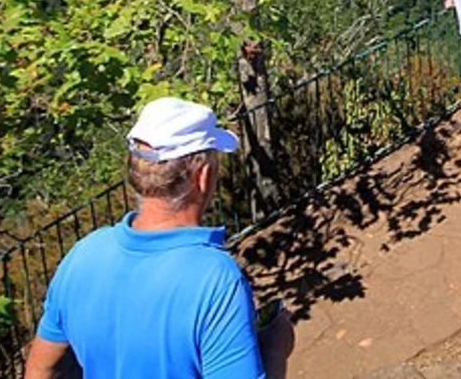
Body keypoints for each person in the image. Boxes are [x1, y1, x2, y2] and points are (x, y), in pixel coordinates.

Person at [25, 97, 291, 379]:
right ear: (203, 175)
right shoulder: (215, 280)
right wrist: (275, 350)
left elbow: (41, 368)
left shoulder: (83, 255)